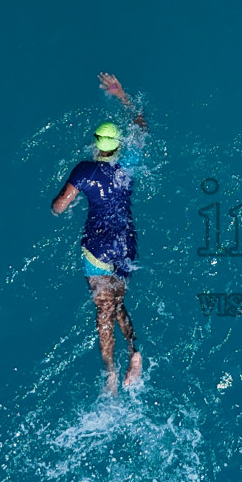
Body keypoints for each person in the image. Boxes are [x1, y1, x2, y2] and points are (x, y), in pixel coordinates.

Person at [52, 73, 147, 394]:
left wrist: (59, 203)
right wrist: (122, 94)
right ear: (119, 145)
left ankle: (110, 372)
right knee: (118, 303)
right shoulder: (130, 162)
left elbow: (60, 207)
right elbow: (141, 123)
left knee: (104, 312)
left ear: (96, 143)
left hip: (98, 251)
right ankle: (135, 351)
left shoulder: (85, 170)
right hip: (126, 245)